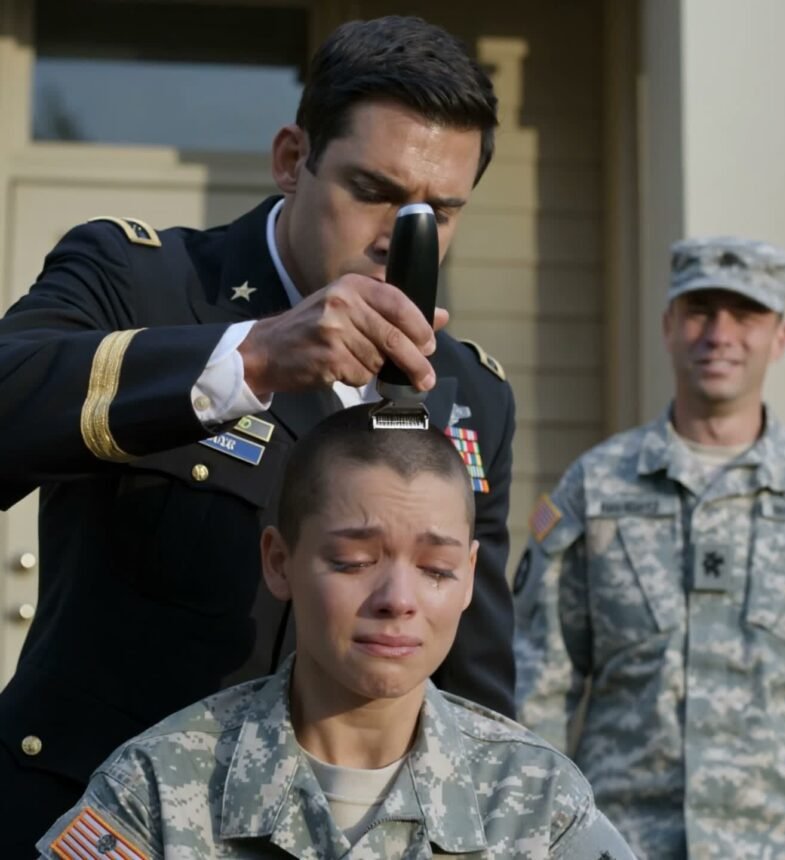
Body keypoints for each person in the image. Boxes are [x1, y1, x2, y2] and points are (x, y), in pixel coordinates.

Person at [0, 16, 517, 855]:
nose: (399, 238)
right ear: (290, 159)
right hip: (104, 822)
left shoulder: (471, 393)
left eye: (439, 213)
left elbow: (474, 678)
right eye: (373, 191)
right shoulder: (141, 282)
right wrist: (251, 357)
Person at [36, 405, 635, 859]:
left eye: (436, 569)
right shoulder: (157, 791)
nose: (398, 600)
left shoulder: (536, 802)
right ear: (280, 562)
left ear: (470, 577)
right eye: (354, 561)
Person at [512, 236, 785, 859]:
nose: (720, 335)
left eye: (746, 315)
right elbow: (538, 686)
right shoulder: (598, 487)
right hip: (623, 845)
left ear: (780, 337)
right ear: (669, 327)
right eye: (700, 311)